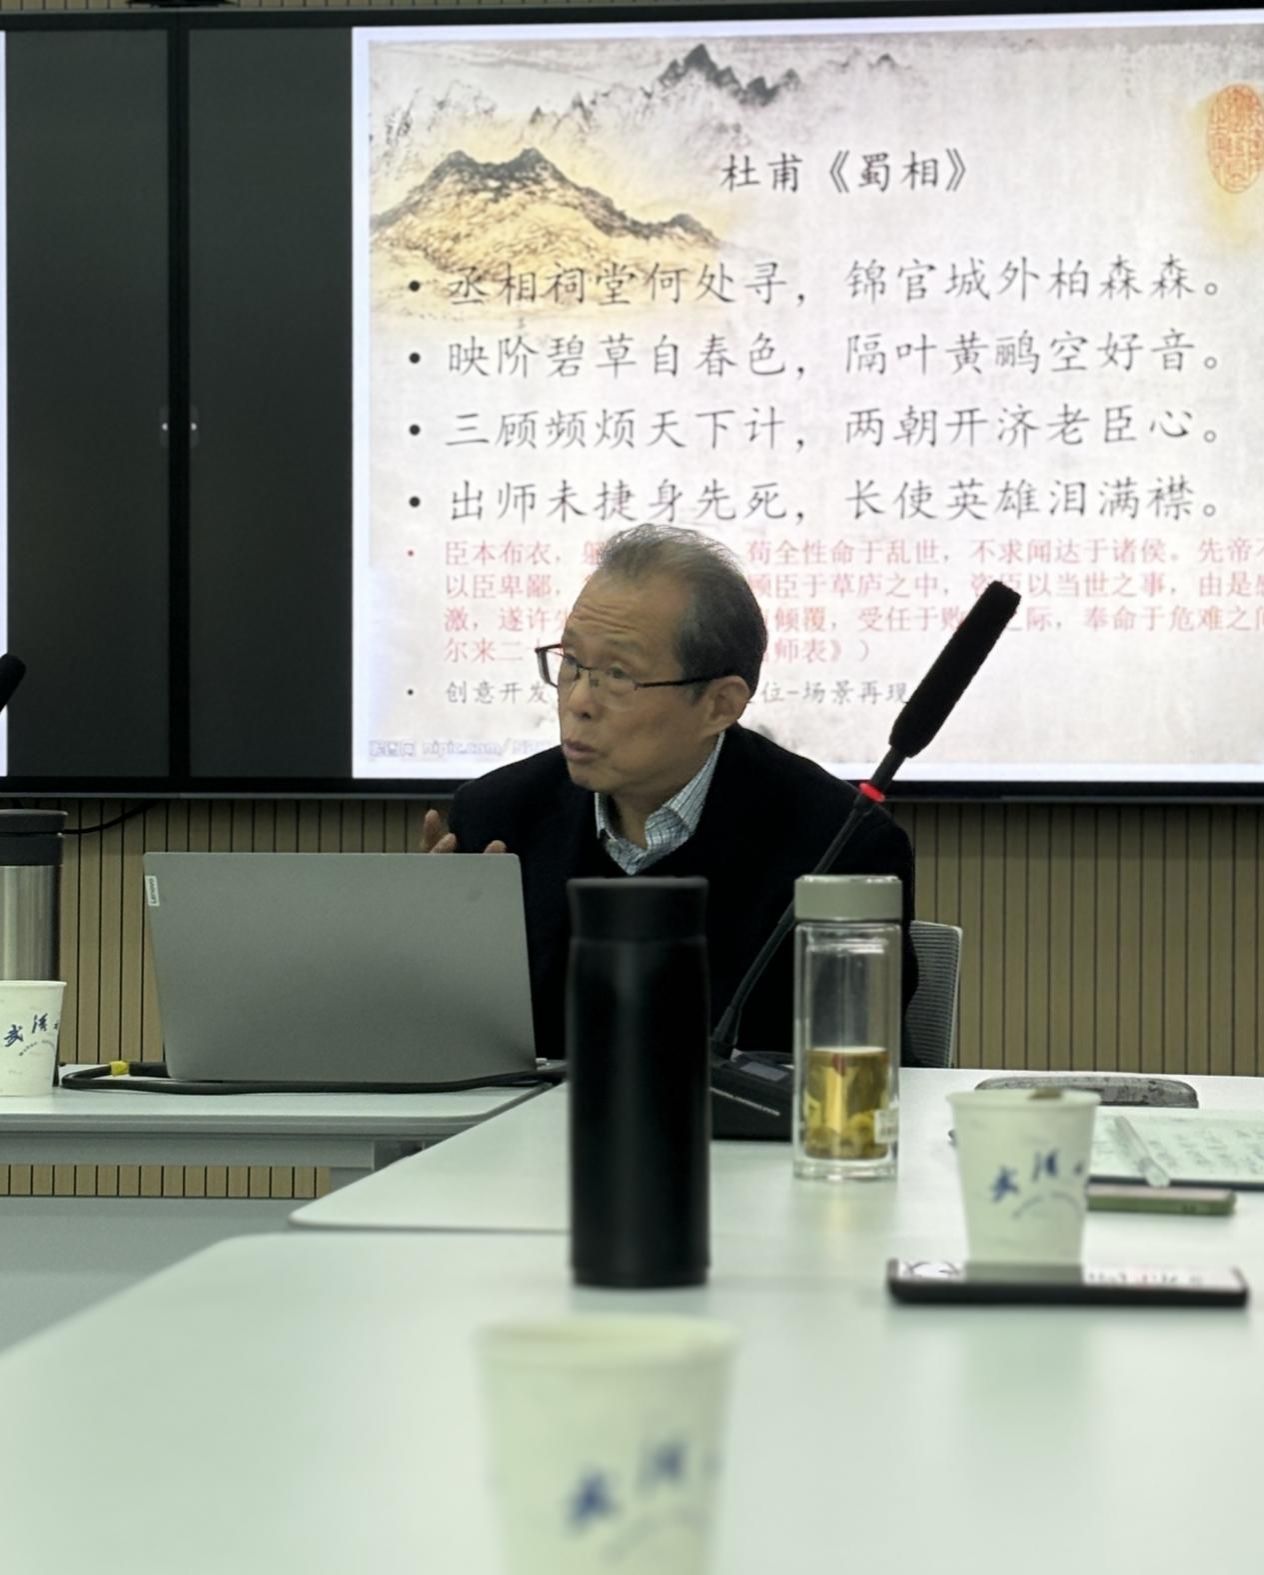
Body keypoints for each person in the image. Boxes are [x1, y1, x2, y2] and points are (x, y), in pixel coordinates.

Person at [421, 525, 919, 1061]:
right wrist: (435, 955)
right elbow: (468, 1049)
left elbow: (837, 1062)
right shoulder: (499, 818)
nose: (579, 701)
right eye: (572, 663)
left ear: (719, 705)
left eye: (619, 674)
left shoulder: (840, 847)